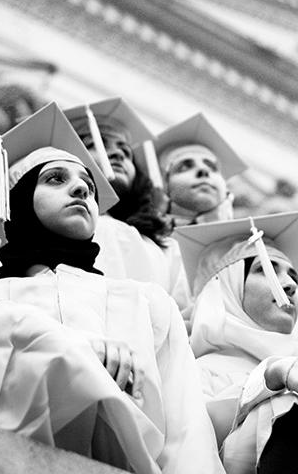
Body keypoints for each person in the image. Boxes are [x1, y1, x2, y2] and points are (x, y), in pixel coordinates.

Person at [0, 102, 224, 474]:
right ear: (16, 200)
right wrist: (65, 350)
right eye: (55, 179)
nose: (81, 187)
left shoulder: (146, 304)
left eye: (88, 186)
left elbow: (186, 430)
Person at [175, 213, 298, 473]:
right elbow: (197, 447)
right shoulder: (194, 369)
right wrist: (271, 378)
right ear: (227, 290)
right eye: (265, 270)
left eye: (295, 278)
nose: (288, 285)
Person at [64, 98, 193, 323]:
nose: (118, 155)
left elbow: (181, 318)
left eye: (125, 150)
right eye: (96, 143)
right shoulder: (47, 226)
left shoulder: (163, 247)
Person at [155, 114, 246, 227]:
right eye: (183, 167)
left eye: (212, 168)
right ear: (164, 186)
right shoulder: (137, 238)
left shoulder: (252, 241)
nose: (203, 170)